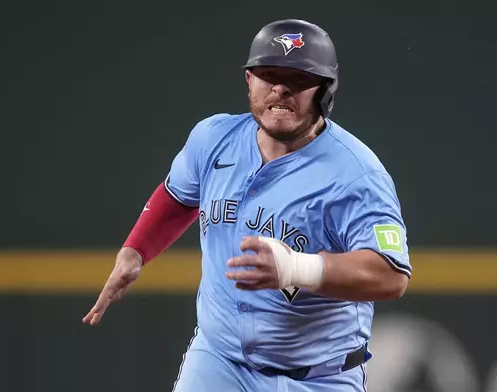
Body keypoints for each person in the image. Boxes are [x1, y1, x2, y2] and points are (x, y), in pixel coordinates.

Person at [82, 18, 411, 392]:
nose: (281, 88)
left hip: (318, 377)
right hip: (219, 362)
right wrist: (136, 250)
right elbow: (178, 196)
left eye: (300, 79)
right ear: (249, 80)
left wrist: (297, 267)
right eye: (268, 74)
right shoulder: (213, 139)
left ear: (324, 90)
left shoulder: (356, 173)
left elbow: (391, 274)